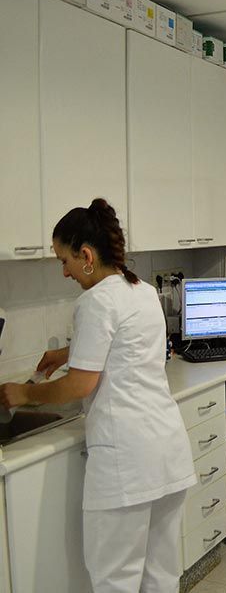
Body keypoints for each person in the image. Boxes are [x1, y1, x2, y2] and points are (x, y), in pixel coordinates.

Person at [0, 199, 196, 593]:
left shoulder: (94, 301)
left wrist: (25, 392)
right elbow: (124, 345)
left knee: (114, 581)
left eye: (64, 260)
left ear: (86, 255)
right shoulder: (138, 290)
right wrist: (68, 353)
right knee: (160, 576)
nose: (64, 271)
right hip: (168, 453)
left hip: (127, 462)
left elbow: (79, 386)